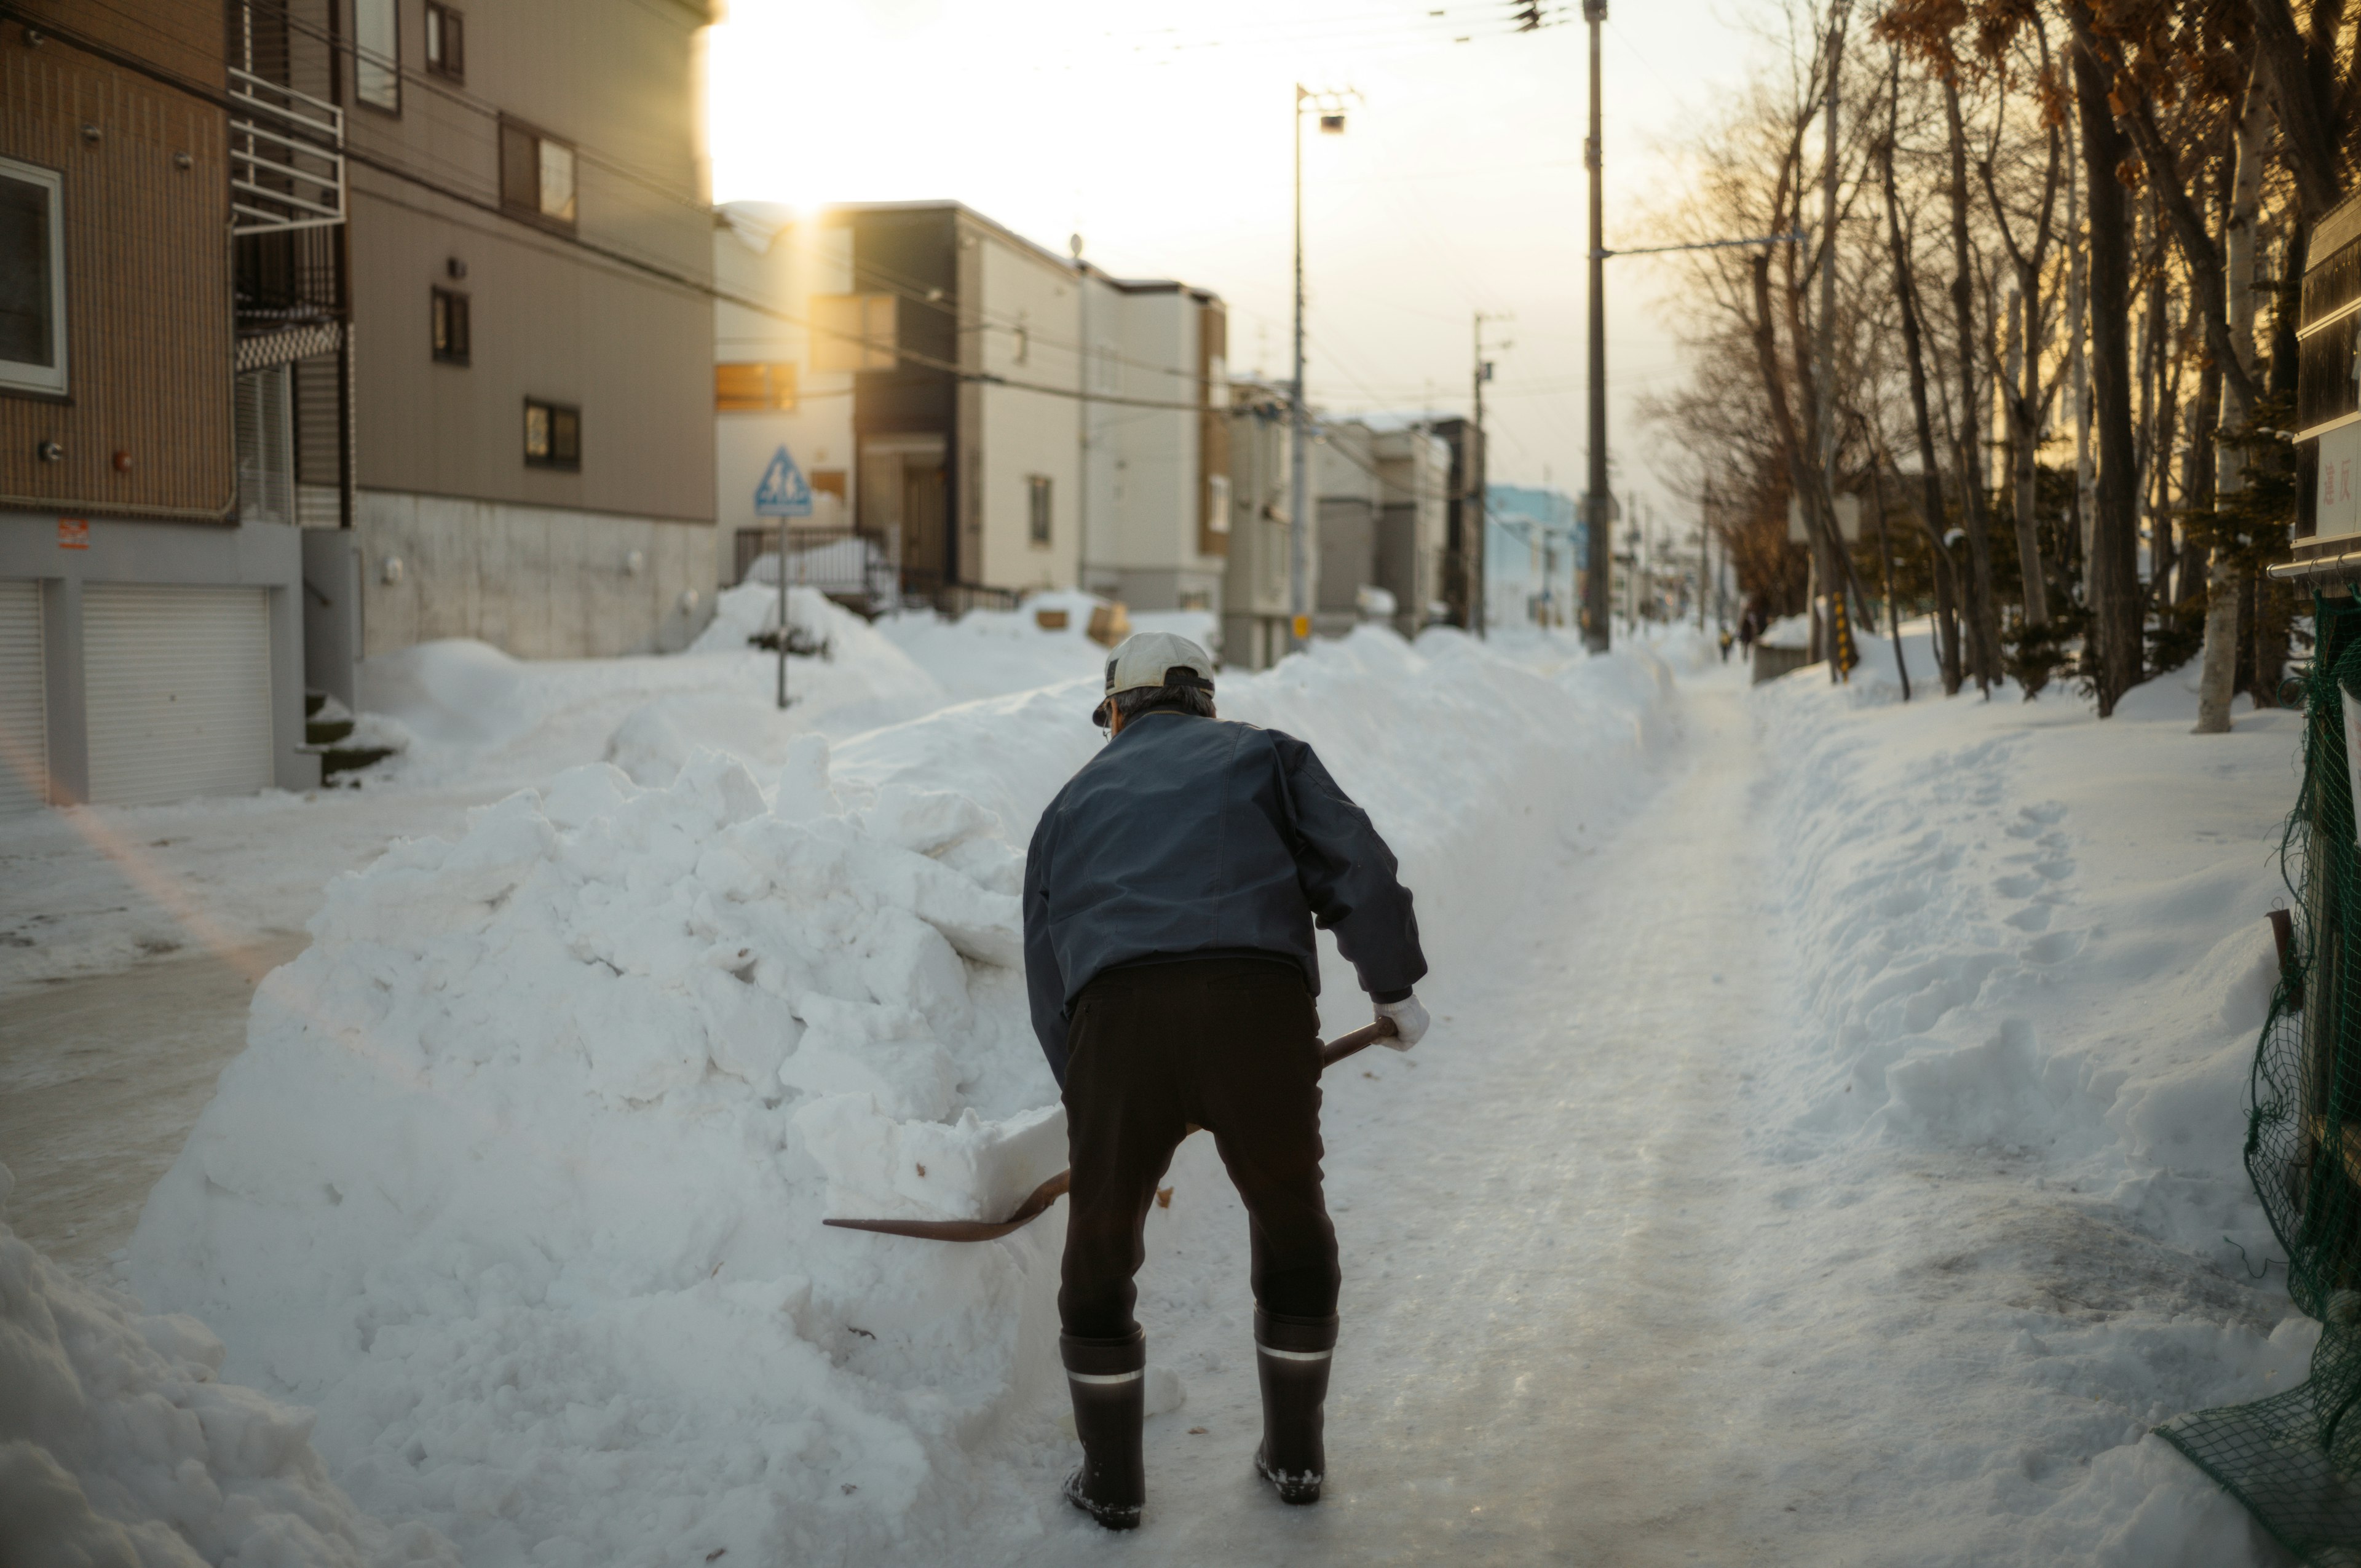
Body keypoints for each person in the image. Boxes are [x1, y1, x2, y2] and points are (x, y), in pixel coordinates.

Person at [1022, 630, 1430, 1530]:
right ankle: (1295, 1456)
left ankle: (1114, 1481)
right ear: (1207, 698)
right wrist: (1393, 988)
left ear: (1117, 710)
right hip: (1259, 1009)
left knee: (1101, 1243)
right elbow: (1356, 864)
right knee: (1290, 1215)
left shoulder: (1069, 803)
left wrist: (1088, 1096)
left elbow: (1047, 968)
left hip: (1118, 1024)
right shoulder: (1266, 757)